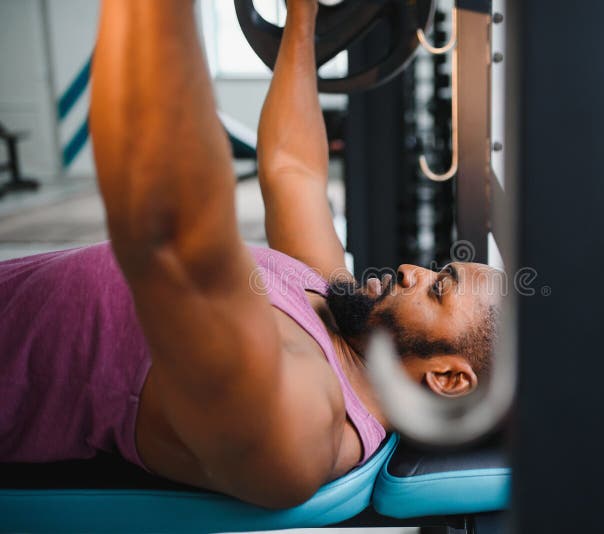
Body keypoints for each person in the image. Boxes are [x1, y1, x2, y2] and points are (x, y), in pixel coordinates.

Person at [0, 0, 499, 509]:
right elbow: (292, 170)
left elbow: (172, 244)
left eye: (439, 288)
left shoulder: (305, 423)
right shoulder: (335, 305)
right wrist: (303, 18)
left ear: (449, 378)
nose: (411, 270)